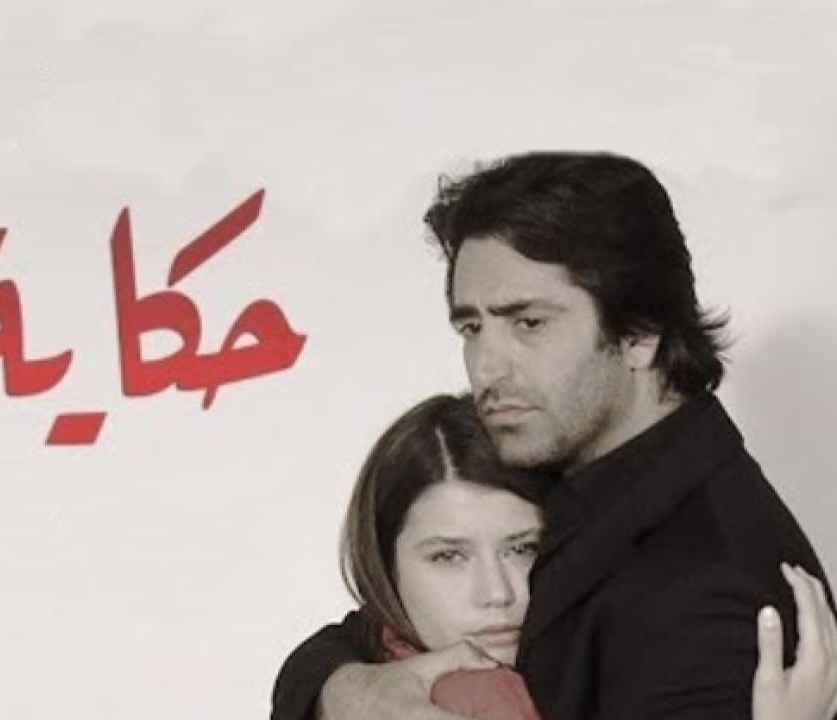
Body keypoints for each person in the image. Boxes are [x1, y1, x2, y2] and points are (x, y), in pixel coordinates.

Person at [271, 152, 836, 720]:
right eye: (472, 327)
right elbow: (368, 626)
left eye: (529, 323)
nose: (486, 367)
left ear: (640, 334)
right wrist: (344, 689)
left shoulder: (699, 597)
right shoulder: (578, 469)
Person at [321, 392, 837, 720]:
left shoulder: (374, 656)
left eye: (522, 548)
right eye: (448, 557)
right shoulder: (482, 700)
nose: (496, 593)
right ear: (384, 563)